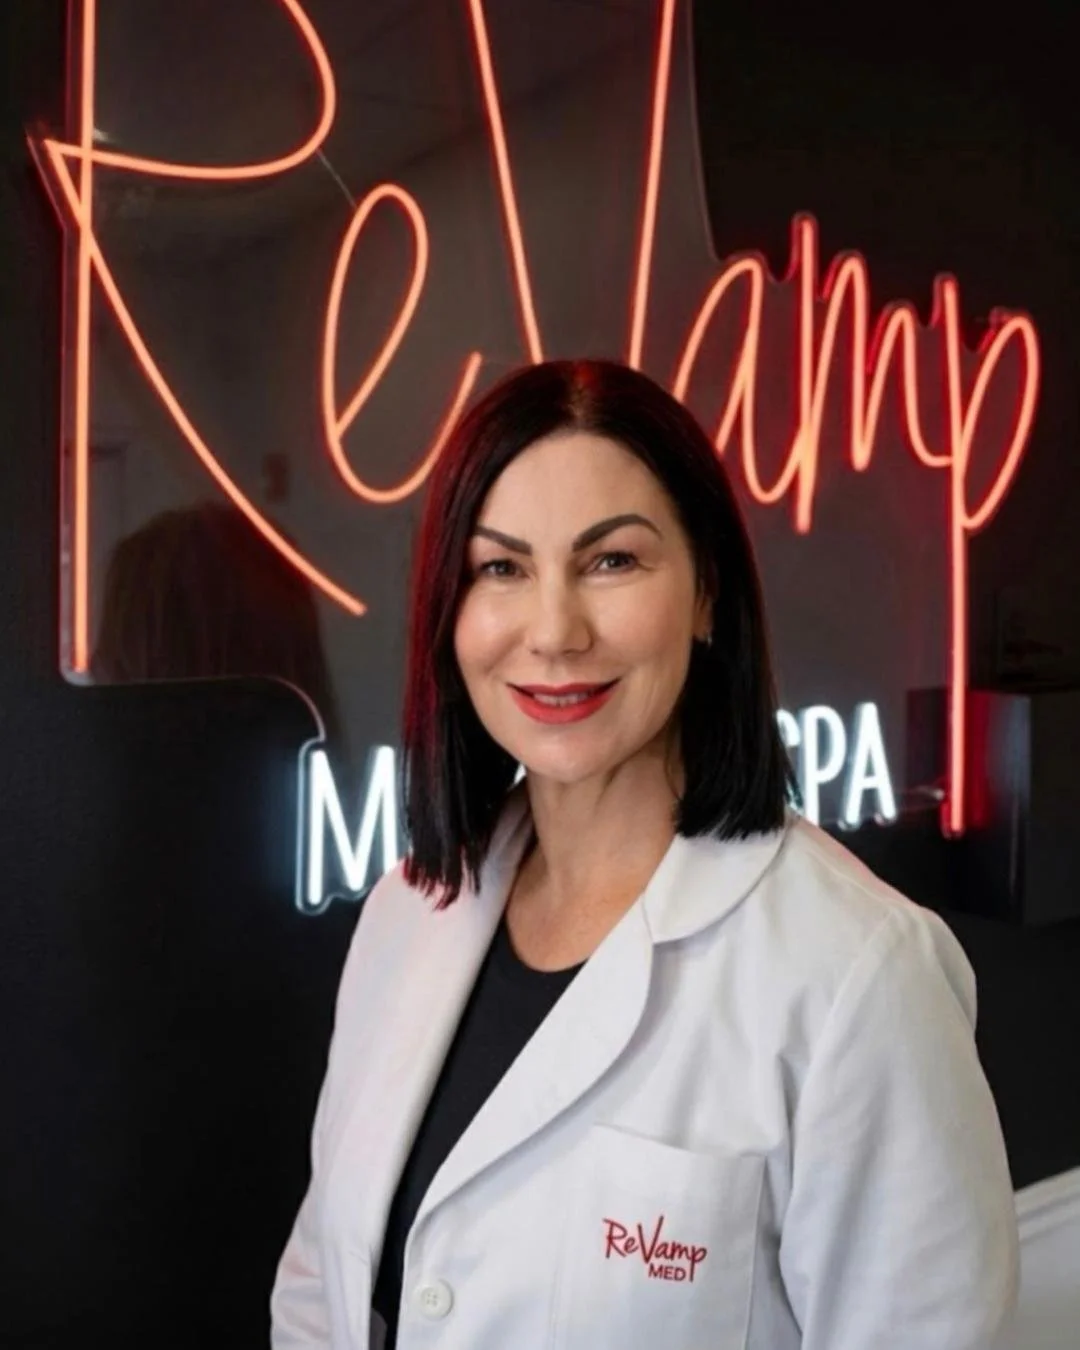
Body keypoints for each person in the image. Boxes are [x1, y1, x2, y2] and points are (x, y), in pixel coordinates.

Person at [270, 359, 1018, 1349]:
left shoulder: (860, 979)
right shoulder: (408, 911)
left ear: (706, 591)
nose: (553, 630)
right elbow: (320, 1293)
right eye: (499, 568)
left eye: (611, 561)